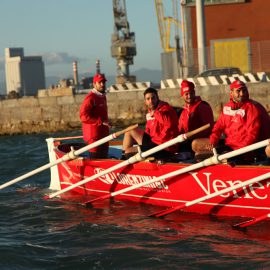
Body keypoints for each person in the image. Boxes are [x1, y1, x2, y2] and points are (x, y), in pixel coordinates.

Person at [192, 80, 263, 162]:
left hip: (242, 150)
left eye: (244, 90)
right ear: (231, 93)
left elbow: (252, 135)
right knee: (198, 152)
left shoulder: (252, 109)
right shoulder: (227, 108)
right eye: (238, 91)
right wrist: (213, 140)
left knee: (223, 157)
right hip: (229, 145)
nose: (242, 94)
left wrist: (240, 151)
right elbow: (218, 127)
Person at [122, 87, 179, 160]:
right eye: (148, 99)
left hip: (164, 147)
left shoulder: (167, 109)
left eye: (153, 98)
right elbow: (148, 132)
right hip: (153, 141)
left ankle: (128, 157)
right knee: (129, 131)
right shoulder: (150, 112)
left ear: (157, 98)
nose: (151, 101)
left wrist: (155, 113)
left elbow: (168, 123)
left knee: (128, 152)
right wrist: (140, 143)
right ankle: (123, 158)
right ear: (145, 101)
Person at [178, 80, 214, 156]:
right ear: (182, 95)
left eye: (191, 93)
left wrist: (191, 136)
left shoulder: (202, 106)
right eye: (186, 94)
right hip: (188, 140)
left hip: (203, 141)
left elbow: (208, 127)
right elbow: (180, 129)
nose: (189, 96)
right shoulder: (184, 112)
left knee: (193, 144)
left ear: (194, 93)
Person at [79, 73, 111, 158]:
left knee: (105, 160)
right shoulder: (90, 98)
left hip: (104, 135)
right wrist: (101, 121)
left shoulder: (102, 96)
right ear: (94, 84)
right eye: (99, 82)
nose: (102, 84)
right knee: (95, 161)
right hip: (94, 137)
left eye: (103, 82)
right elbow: (83, 117)